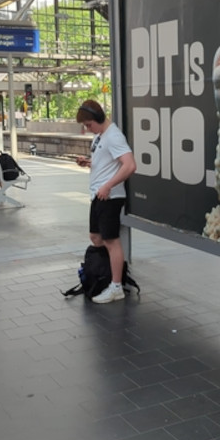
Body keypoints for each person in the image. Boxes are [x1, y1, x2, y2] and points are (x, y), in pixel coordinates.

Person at [75, 99, 136, 304]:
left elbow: (130, 165)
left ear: (98, 118)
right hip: (98, 194)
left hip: (110, 196)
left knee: (111, 240)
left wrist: (109, 185)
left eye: (89, 125)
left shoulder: (114, 136)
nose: (88, 129)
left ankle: (116, 286)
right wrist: (89, 162)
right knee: (96, 236)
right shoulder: (101, 136)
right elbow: (107, 160)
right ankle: (106, 274)